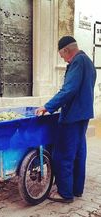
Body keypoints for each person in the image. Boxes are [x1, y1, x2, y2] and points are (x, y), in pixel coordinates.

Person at [35, 36, 96, 203]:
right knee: (78, 152)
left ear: (66, 51)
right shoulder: (89, 62)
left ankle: (65, 193)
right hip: (83, 115)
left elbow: (68, 90)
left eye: (62, 56)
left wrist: (47, 106)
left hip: (72, 116)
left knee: (63, 154)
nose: (63, 59)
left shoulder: (77, 62)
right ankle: (76, 189)